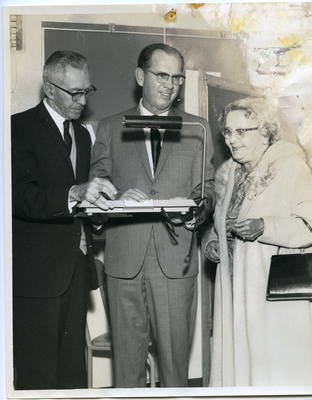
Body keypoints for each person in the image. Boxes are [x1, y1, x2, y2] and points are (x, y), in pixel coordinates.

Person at [90, 43, 215, 387]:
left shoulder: (197, 129)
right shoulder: (111, 127)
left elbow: (207, 189)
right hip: (123, 263)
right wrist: (114, 196)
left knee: (176, 370)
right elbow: (96, 185)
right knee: (127, 372)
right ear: (140, 76)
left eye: (177, 78)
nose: (169, 85)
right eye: (162, 75)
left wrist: (196, 215)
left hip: (176, 263)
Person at [12, 50, 116, 390]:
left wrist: (99, 213)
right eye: (75, 93)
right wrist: (75, 193)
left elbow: (81, 200)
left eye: (88, 91)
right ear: (49, 89)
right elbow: (19, 197)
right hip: (37, 276)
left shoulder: (82, 136)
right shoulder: (17, 129)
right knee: (38, 375)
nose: (83, 101)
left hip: (76, 268)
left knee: (73, 372)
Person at [204, 97, 312, 387]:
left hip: (271, 290)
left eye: (242, 131)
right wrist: (214, 242)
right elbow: (221, 222)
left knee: (271, 368)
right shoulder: (229, 174)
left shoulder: (291, 167)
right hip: (233, 285)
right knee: (240, 363)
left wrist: (265, 226)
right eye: (228, 132)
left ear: (265, 132)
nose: (231, 140)